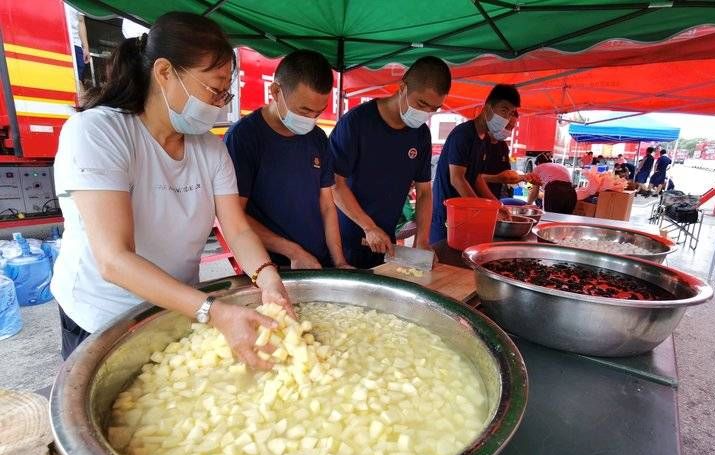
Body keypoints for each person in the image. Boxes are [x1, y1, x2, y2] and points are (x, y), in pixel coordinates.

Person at [51, 12, 292, 369]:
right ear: (164, 73)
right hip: (102, 315)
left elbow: (237, 228)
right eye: (214, 88)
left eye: (226, 92)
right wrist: (212, 310)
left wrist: (268, 276)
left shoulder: (210, 149)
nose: (221, 103)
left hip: (177, 308)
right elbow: (114, 259)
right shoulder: (98, 133)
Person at [224, 50, 350, 270]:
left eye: (318, 112)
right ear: (275, 91)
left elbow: (327, 206)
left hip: (318, 261)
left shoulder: (318, 138)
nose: (311, 119)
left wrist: (339, 260)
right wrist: (293, 251)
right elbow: (234, 216)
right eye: (304, 110)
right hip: (271, 266)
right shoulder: (243, 138)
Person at [328, 56, 451, 268]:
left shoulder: (420, 135)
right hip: (344, 241)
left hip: (386, 243)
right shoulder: (356, 123)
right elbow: (334, 184)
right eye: (422, 103)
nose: (426, 113)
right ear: (402, 87)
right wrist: (368, 227)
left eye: (434, 108)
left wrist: (422, 240)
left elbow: (423, 192)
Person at [430, 84, 521, 244]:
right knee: (442, 259)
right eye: (504, 110)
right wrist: (482, 210)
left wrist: (497, 204)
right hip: (446, 215)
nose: (506, 117)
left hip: (465, 215)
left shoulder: (484, 139)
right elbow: (457, 178)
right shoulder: (463, 134)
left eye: (510, 113)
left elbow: (477, 178)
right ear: (488, 108)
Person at [64, 4, 90, 84]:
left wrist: (86, 48)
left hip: (75, 44)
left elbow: (81, 22)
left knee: (76, 80)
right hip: (56, 42)